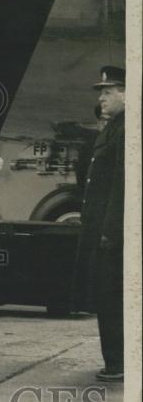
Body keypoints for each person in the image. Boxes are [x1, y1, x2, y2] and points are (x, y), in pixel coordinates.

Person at [75, 66, 125, 382]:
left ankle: (118, 362)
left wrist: (110, 230)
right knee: (106, 295)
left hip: (112, 232)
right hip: (102, 227)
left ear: (125, 93)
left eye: (108, 92)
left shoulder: (125, 129)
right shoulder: (114, 127)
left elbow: (121, 185)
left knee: (111, 296)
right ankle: (116, 360)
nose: (102, 98)